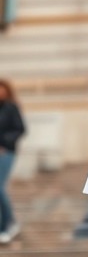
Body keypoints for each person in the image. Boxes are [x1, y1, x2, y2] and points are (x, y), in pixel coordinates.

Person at [0, 79, 25, 245]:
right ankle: (10, 223)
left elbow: (20, 129)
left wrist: (4, 144)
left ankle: (7, 225)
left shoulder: (11, 107)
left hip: (6, 152)